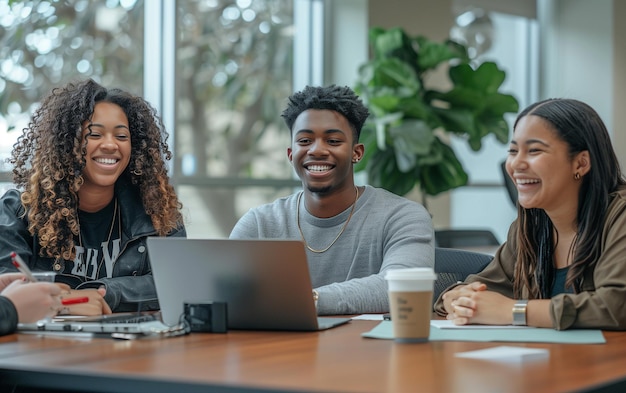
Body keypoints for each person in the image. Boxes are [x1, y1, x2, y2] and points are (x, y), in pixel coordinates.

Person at [229, 85, 434, 315]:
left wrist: (309, 300)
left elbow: (402, 288)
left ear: (357, 153)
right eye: (305, 141)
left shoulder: (403, 217)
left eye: (333, 141)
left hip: (369, 349)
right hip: (282, 349)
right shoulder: (259, 224)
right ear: (290, 154)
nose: (317, 150)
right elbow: (224, 290)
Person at [434, 98, 626, 330]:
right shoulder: (530, 226)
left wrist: (513, 311)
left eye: (534, 150)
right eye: (513, 151)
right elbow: (483, 287)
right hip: (547, 361)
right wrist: (456, 298)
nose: (516, 164)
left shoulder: (619, 216)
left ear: (581, 163)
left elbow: (616, 306)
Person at [0, 78, 186, 315]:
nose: (110, 145)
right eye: (94, 134)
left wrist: (104, 292)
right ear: (67, 143)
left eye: (121, 137)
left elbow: (177, 282)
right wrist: (71, 301)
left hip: (130, 347)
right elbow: (6, 285)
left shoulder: (158, 213)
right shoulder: (17, 212)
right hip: (42, 346)